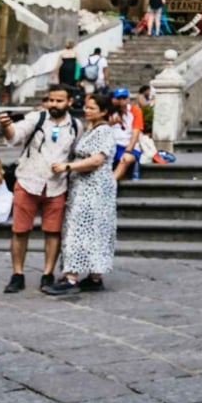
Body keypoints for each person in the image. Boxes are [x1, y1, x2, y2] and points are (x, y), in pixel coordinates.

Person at [0, 86, 82, 294]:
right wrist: (6, 126)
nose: (54, 104)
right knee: (20, 231)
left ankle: (47, 273)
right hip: (28, 180)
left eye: (59, 100)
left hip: (57, 185)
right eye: (51, 100)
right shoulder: (37, 118)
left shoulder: (76, 126)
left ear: (69, 102)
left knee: (53, 232)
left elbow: (77, 154)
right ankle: (17, 274)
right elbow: (15, 136)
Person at [44, 92, 120, 296]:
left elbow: (96, 160)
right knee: (90, 229)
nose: (87, 110)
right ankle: (94, 276)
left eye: (92, 108)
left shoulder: (103, 132)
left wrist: (68, 167)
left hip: (94, 188)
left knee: (80, 229)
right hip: (85, 186)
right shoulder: (90, 130)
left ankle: (72, 277)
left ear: (103, 112)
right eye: (86, 107)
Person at [110, 88, 145, 182]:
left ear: (128, 99)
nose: (122, 101)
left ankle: (110, 184)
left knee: (125, 159)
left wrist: (128, 150)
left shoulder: (136, 111)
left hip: (131, 147)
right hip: (114, 145)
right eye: (119, 98)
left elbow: (135, 134)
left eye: (124, 98)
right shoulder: (110, 111)